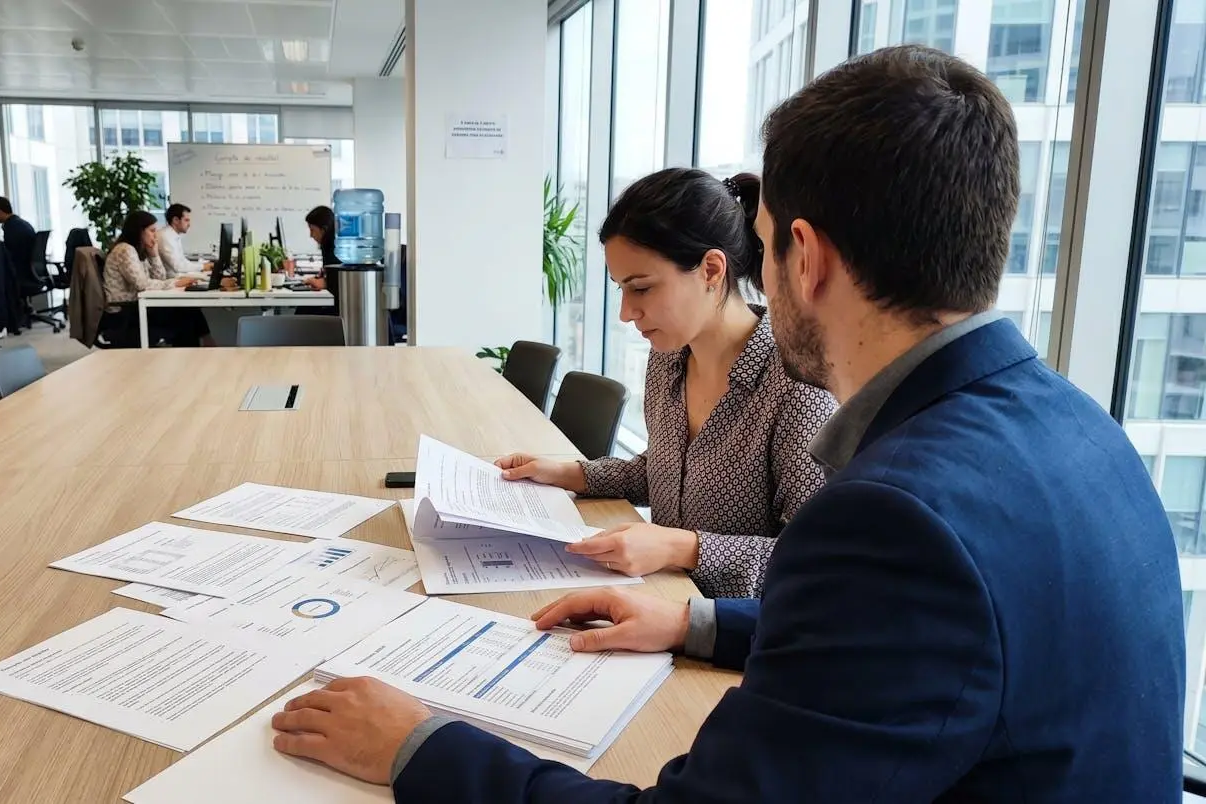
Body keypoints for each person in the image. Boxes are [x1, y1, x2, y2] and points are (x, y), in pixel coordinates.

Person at [268, 45, 1187, 802]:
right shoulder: (1084, 433)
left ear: (805, 256)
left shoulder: (896, 518)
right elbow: (912, 652)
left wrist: (419, 746)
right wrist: (699, 626)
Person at [496, 168, 835, 597]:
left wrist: (683, 547)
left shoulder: (797, 385)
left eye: (641, 288)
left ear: (711, 269)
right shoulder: (668, 358)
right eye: (621, 288)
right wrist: (569, 473)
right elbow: (665, 471)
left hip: (739, 639)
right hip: (661, 603)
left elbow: (816, 563)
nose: (625, 312)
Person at [102, 210, 213, 347]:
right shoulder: (125, 250)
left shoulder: (137, 250)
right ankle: (198, 351)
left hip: (137, 306)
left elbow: (159, 277)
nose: (156, 236)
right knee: (185, 315)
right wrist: (176, 283)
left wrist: (153, 254)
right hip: (125, 313)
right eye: (152, 231)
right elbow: (142, 285)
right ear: (139, 231)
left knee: (187, 309)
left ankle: (203, 346)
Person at [0, 196, 36, 281]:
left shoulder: (11, 228)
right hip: (30, 271)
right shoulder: (22, 223)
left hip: (21, 273)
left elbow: (9, 256)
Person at [302, 205, 339, 315]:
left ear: (324, 230)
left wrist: (323, 282)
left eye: (312, 230)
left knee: (304, 311)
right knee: (304, 308)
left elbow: (336, 281)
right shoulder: (327, 245)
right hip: (336, 300)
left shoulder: (337, 247)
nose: (311, 235)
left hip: (343, 306)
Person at [156, 203, 211, 278]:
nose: (189, 224)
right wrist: (202, 267)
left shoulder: (173, 235)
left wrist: (203, 266)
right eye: (186, 220)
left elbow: (183, 261)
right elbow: (178, 267)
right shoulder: (165, 236)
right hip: (170, 280)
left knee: (206, 277)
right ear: (175, 220)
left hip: (177, 276)